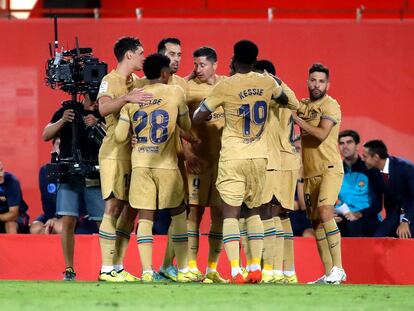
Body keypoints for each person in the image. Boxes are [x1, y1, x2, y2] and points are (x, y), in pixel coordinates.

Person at [193, 40, 289, 284]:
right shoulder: (266, 82)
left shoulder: (226, 85)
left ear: (234, 60)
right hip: (258, 156)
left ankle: (236, 270)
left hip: (234, 156)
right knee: (254, 211)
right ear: (255, 61)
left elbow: (200, 115)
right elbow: (284, 99)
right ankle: (255, 267)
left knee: (231, 214)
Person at [115, 53, 193, 282]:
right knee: (178, 214)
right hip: (167, 165)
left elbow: (120, 137)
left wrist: (133, 136)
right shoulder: (175, 92)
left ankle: (147, 271)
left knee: (145, 218)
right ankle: (184, 270)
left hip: (141, 164)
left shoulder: (133, 98)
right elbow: (186, 125)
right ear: (164, 73)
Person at [97, 36, 152, 282]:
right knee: (113, 208)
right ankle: (106, 269)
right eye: (140, 52)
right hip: (113, 153)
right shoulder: (110, 80)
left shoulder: (137, 81)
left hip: (134, 154)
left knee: (129, 211)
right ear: (128, 55)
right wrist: (127, 99)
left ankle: (118, 267)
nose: (144, 56)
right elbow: (103, 109)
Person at [42, 93, 106, 281]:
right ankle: (69, 269)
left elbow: (115, 139)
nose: (94, 103)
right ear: (83, 96)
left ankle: (109, 267)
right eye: (92, 99)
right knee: (68, 220)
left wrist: (98, 124)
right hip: (69, 173)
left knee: (102, 222)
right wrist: (63, 120)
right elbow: (46, 134)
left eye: (97, 99)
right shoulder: (67, 111)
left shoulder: (103, 114)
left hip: (94, 172)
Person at [292, 63, 346, 284]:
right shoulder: (304, 105)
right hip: (310, 173)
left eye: (321, 81)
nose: (316, 85)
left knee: (325, 212)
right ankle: (329, 273)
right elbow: (289, 104)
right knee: (315, 223)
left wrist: (298, 121)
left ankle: (339, 268)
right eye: (313, 80)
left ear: (328, 84)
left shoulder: (330, 106)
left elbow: (322, 134)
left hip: (330, 169)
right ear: (307, 82)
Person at [253, 59, 300, 283]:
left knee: (266, 213)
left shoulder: (269, 99)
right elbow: (295, 104)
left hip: (274, 162)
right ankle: (287, 272)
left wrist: (272, 81)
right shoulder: (286, 97)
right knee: (282, 215)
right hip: (289, 162)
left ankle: (270, 271)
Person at [184, 46, 227, 283]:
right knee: (195, 214)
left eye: (202, 64)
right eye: (195, 64)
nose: (197, 69)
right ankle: (191, 266)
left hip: (222, 164)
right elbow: (177, 119)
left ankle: (212, 268)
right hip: (198, 162)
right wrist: (188, 152)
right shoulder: (188, 87)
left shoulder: (226, 86)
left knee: (220, 215)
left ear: (214, 65)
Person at [362, 140, 414, 238]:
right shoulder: (374, 172)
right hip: (393, 216)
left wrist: (406, 220)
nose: (363, 159)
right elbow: (377, 204)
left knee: (406, 239)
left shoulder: (406, 168)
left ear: (376, 157)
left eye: (365, 156)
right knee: (376, 240)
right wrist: (359, 214)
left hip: (411, 215)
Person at [335, 130, 381, 237]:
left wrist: (359, 214)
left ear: (357, 146)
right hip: (345, 217)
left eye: (349, 142)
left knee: (353, 227)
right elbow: (331, 200)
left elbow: (377, 205)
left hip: (368, 218)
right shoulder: (336, 171)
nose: (345, 146)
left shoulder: (370, 169)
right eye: (341, 143)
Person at [0, 160, 29, 234]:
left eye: (1, 170)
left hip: (18, 216)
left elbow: (13, 215)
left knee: (10, 224)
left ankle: (13, 245)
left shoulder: (12, 181)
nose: (1, 175)